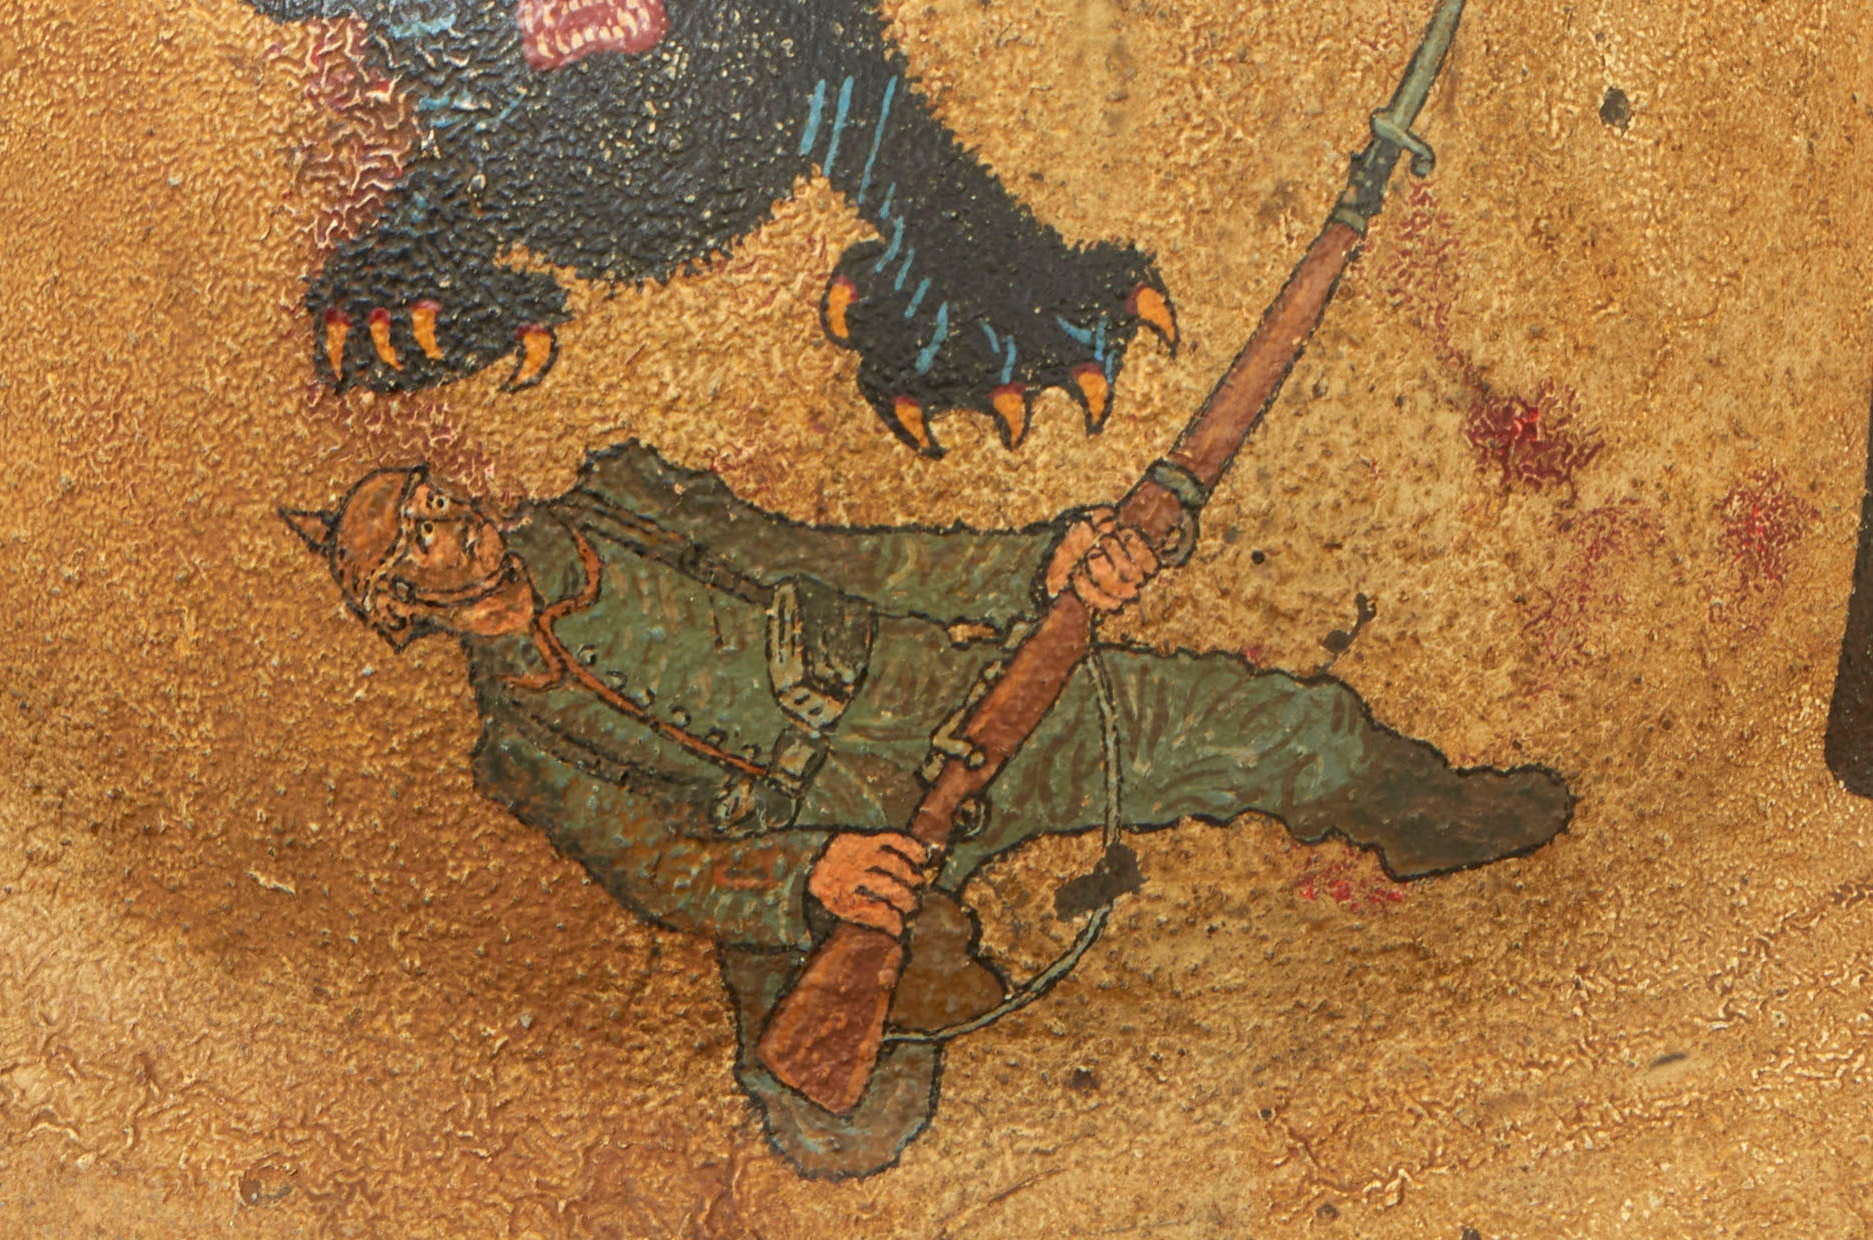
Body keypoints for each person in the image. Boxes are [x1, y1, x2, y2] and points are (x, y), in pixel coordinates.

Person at [283, 443, 1572, 1177]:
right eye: (419, 534)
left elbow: (833, 562)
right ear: (400, 602)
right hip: (813, 852)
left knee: (1260, 726)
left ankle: (1427, 814)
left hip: (933, 705)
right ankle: (916, 971)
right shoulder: (518, 744)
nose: (454, 519)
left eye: (439, 498)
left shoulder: (618, 512)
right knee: (832, 1124)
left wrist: (1035, 566)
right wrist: (807, 883)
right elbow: (654, 863)